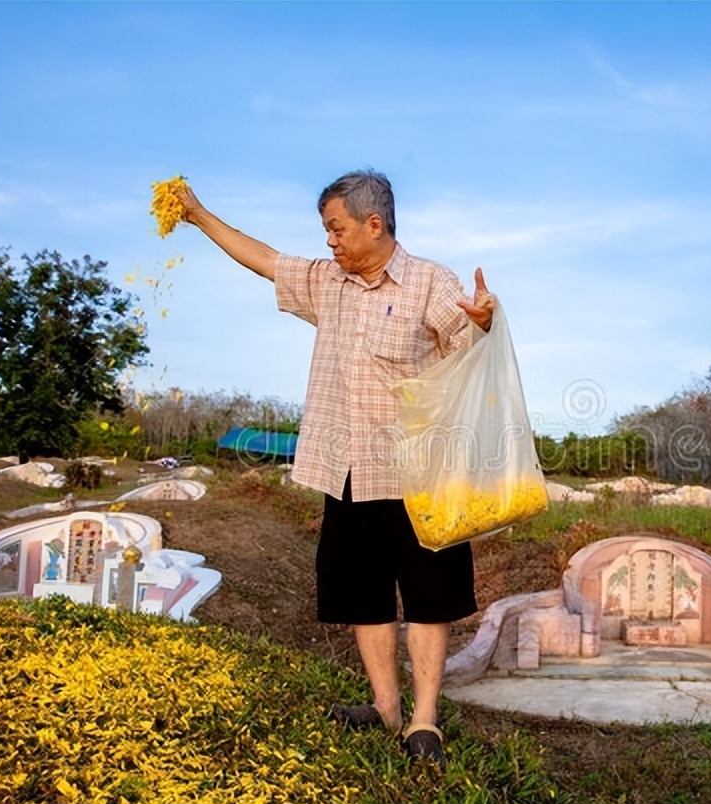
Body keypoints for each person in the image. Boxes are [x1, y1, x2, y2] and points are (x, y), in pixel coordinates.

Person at [177, 170, 494, 766]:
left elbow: (470, 350)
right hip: (346, 469)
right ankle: (386, 707)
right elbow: (267, 260)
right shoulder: (330, 283)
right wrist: (198, 216)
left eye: (336, 229)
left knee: (429, 597)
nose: (329, 242)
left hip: (418, 471)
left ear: (374, 225)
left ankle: (425, 720)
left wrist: (483, 326)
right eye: (326, 230)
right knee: (364, 595)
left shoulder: (432, 282)